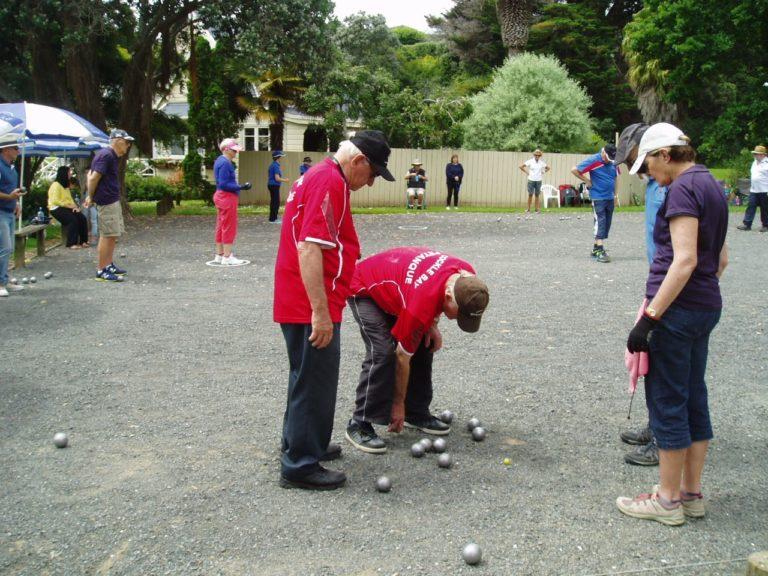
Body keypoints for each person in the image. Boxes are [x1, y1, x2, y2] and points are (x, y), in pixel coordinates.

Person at [617, 122, 728, 526]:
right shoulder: (711, 184)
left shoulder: (681, 189)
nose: (647, 173)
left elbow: (684, 261)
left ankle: (666, 501)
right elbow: (721, 259)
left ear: (665, 154)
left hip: (676, 312)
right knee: (694, 397)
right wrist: (696, 296)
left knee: (668, 400)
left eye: (647, 163)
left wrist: (650, 319)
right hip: (703, 306)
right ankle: (690, 494)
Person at [273, 130, 395, 491]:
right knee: (315, 381)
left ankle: (300, 441)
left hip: (302, 296)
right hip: (310, 301)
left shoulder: (322, 176)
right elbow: (310, 248)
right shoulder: (330, 181)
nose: (370, 182)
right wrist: (320, 312)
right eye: (373, 173)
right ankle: (300, 464)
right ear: (358, 161)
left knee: (305, 375)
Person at [344, 247, 489, 454]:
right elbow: (401, 358)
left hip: (403, 289)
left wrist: (432, 325)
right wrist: (397, 404)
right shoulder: (420, 304)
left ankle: (415, 411)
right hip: (364, 287)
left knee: (424, 340)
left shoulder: (467, 279)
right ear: (449, 296)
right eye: (459, 314)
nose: (457, 319)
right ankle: (359, 423)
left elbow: (434, 295)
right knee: (383, 352)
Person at [614, 123, 668, 467]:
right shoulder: (653, 184)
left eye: (631, 155)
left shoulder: (669, 188)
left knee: (665, 364)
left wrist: (660, 301)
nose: (629, 164)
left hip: (669, 289)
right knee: (653, 360)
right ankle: (657, 425)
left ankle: (666, 439)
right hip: (658, 283)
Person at [83, 129, 132, 282]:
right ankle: (102, 269)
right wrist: (91, 196)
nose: (128, 145)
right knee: (106, 235)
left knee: (112, 234)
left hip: (111, 200)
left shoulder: (111, 156)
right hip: (106, 202)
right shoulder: (106, 155)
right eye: (126, 142)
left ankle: (108, 265)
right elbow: (92, 178)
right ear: (117, 141)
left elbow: (91, 176)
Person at [571, 144, 618, 263]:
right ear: (603, 152)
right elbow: (574, 170)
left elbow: (615, 178)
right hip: (598, 197)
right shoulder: (594, 160)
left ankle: (595, 248)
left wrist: (615, 195)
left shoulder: (613, 162)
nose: (609, 160)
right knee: (600, 220)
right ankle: (600, 250)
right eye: (608, 157)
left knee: (607, 222)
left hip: (609, 197)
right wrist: (587, 180)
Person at [212, 138, 251, 266]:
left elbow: (221, 183)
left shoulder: (219, 160)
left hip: (220, 196)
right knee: (229, 226)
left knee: (221, 225)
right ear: (226, 149)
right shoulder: (225, 163)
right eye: (234, 150)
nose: (236, 152)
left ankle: (219, 255)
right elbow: (224, 184)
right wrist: (241, 187)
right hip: (226, 197)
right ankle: (227, 257)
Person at [0, 143, 25, 298]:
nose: (18, 151)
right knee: (5, 248)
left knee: (9, 249)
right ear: (5, 149)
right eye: (15, 148)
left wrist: (16, 202)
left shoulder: (11, 167)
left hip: (9, 212)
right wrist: (9, 197)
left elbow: (11, 190)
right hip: (1, 212)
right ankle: (1, 283)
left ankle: (4, 279)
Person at [48, 166, 89, 249]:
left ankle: (83, 241)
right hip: (56, 208)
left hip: (67, 207)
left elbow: (69, 199)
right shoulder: (55, 185)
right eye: (69, 172)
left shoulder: (65, 186)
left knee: (82, 218)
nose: (70, 174)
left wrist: (75, 207)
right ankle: (71, 243)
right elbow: (55, 201)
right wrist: (69, 206)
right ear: (64, 173)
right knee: (72, 220)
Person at [736, 145, 768, 232]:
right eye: (754, 153)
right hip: (754, 190)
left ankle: (766, 225)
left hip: (765, 190)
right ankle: (747, 224)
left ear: (762, 155)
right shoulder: (754, 162)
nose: (754, 155)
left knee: (765, 208)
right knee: (750, 206)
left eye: (756, 154)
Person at [520, 149, 550, 213]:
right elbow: (521, 167)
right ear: (534, 155)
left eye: (538, 155)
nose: (537, 156)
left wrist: (543, 172)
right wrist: (527, 173)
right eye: (536, 155)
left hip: (538, 181)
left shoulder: (541, 163)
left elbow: (548, 168)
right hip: (531, 180)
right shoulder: (530, 161)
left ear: (540, 156)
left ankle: (537, 209)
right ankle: (528, 209)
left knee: (537, 195)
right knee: (530, 194)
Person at [267, 150, 289, 223]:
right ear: (278, 158)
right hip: (274, 185)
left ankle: (272, 218)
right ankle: (273, 219)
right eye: (281, 157)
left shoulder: (272, 165)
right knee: (276, 202)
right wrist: (285, 180)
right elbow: (277, 178)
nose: (281, 158)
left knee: (274, 201)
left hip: (271, 185)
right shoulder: (276, 166)